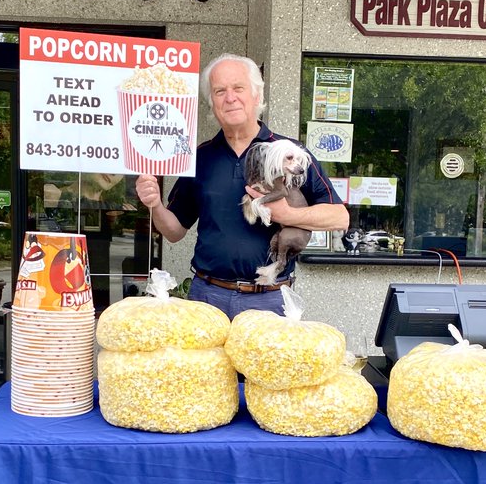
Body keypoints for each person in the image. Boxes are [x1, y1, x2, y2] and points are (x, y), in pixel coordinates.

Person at [135, 53, 349, 316]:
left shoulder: (289, 152)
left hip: (269, 299)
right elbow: (174, 231)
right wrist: (154, 204)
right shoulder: (198, 157)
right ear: (211, 103)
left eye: (238, 88)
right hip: (206, 297)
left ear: (256, 95)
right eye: (219, 91)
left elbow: (339, 217)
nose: (230, 97)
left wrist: (288, 215)